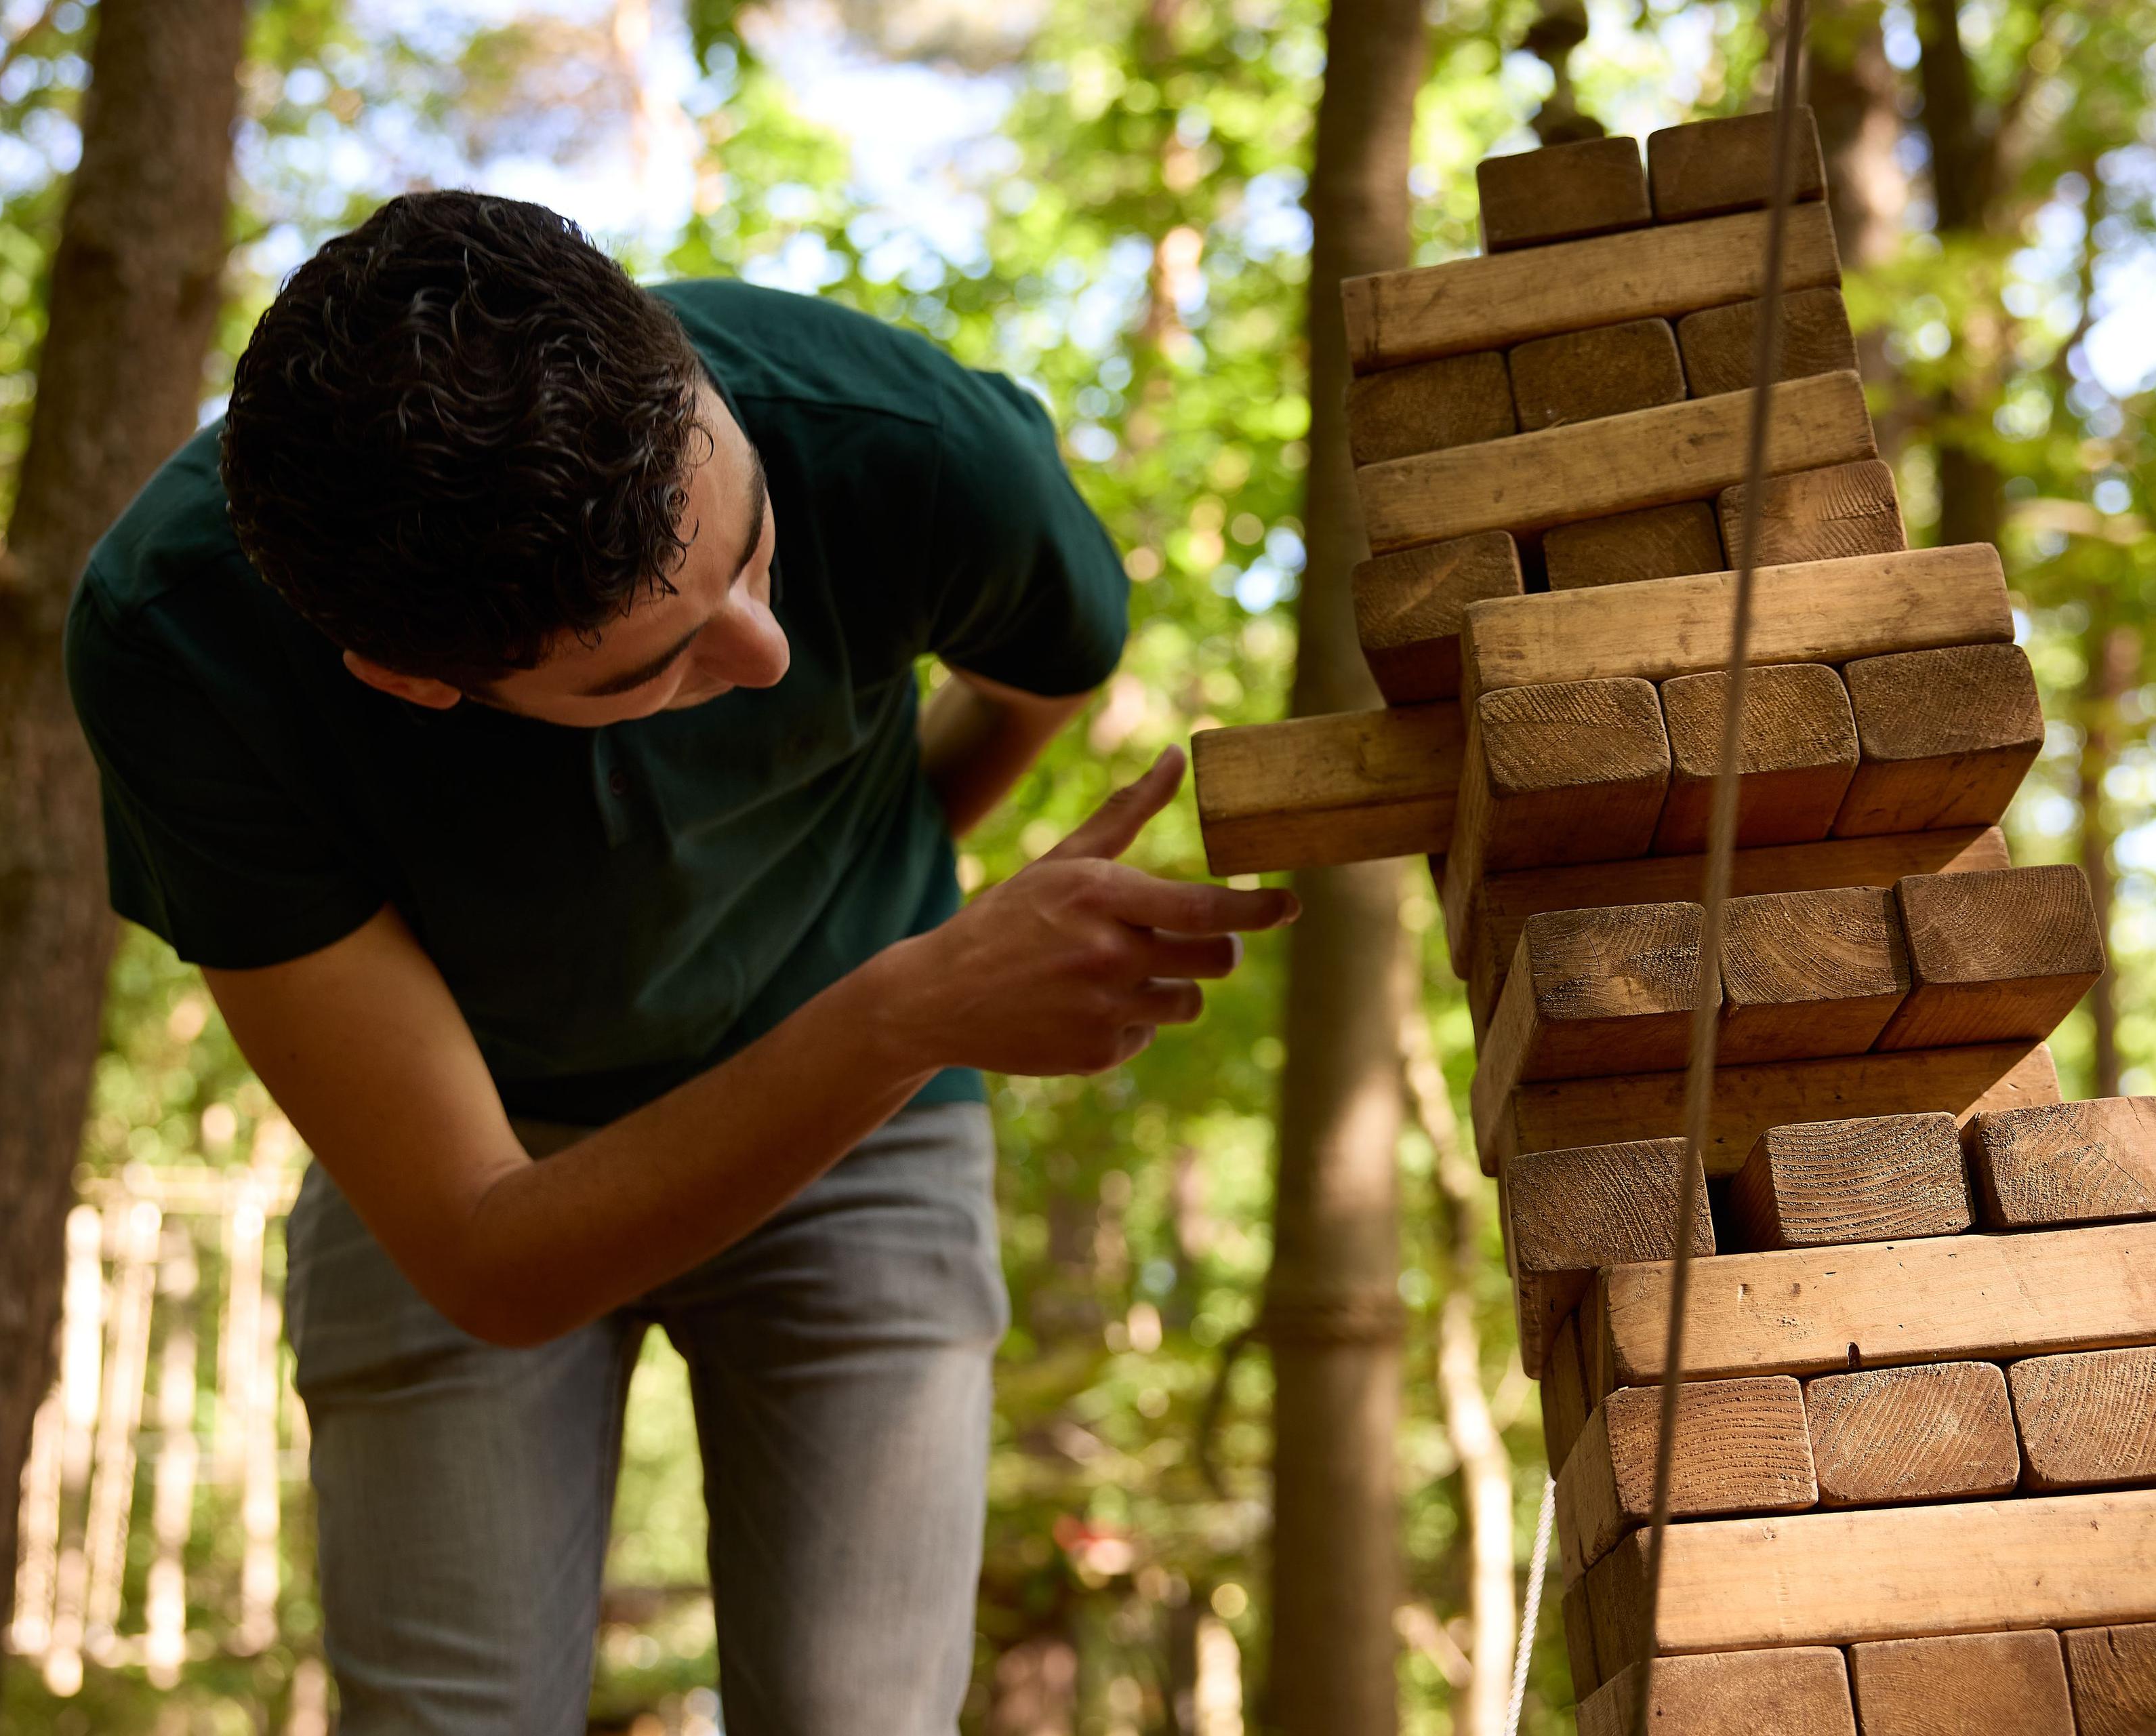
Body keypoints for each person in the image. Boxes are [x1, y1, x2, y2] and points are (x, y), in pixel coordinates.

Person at [64, 190, 1294, 1735]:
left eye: (757, 546)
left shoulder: (901, 439)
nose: (767, 652)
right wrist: (920, 994)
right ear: (408, 678)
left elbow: (1050, 670)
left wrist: (872, 928)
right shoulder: (179, 645)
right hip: (481, 1152)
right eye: (657, 664)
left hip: (871, 1157)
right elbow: (486, 1250)